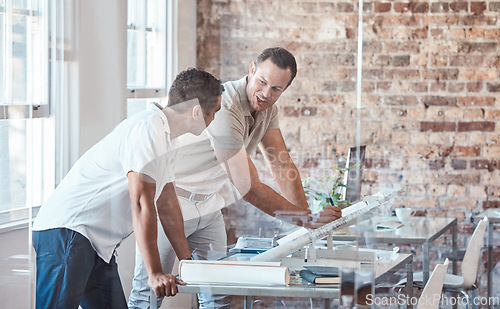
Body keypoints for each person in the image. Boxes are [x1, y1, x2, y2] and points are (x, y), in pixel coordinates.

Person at [129, 47, 343, 309]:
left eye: (276, 89)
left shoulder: (266, 108)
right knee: (148, 296)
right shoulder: (226, 104)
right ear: (252, 69)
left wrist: (306, 222)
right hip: (172, 203)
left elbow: (280, 162)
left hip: (209, 207)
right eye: (262, 82)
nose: (266, 93)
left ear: (285, 89)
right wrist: (307, 220)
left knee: (219, 295)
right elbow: (247, 187)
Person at [32, 68, 224, 309]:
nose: (214, 119)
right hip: (68, 231)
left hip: (96, 244)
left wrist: (189, 264)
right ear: (197, 112)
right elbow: (141, 201)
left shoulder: (169, 139)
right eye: (214, 112)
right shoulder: (147, 129)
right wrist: (154, 272)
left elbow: (168, 204)